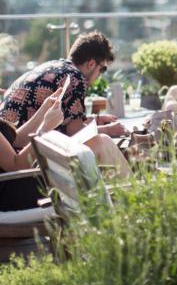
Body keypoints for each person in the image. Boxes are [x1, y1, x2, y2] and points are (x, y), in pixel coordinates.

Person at [0, 88, 131, 211]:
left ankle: (125, 208)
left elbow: (16, 140)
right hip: (16, 191)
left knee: (99, 143)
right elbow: (16, 166)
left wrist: (44, 110)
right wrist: (45, 129)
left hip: (22, 180)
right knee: (101, 144)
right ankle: (133, 208)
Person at [0, 31, 127, 138]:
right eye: (102, 69)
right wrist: (109, 131)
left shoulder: (54, 67)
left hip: (7, 146)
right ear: (91, 64)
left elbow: (66, 121)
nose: (100, 74)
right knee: (100, 143)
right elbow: (76, 132)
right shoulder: (75, 77)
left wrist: (95, 119)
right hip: (19, 153)